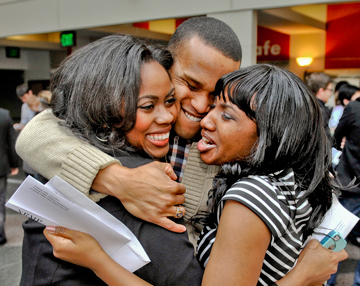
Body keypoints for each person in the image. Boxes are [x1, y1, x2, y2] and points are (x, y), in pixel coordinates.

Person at [15, 16, 346, 278]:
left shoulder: (225, 148)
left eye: (215, 96)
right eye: (189, 84)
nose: (202, 105)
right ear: (163, 66)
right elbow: (35, 134)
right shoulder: (128, 126)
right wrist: (116, 178)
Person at [19, 34, 205, 286]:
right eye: (148, 106)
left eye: (170, 101)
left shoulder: (64, 163)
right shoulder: (146, 186)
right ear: (103, 109)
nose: (167, 116)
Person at [328, 95, 360, 286]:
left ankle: (326, 279)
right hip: (351, 185)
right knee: (336, 235)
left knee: (336, 235)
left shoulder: (354, 108)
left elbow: (337, 136)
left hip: (351, 181)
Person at [0, 108, 19, 245]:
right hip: (1, 166)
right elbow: (11, 142)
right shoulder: (4, 114)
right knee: (0, 201)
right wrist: (14, 164)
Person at [306, 72, 334, 145]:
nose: (331, 93)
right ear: (321, 91)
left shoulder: (307, 104)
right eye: (330, 90)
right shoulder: (318, 109)